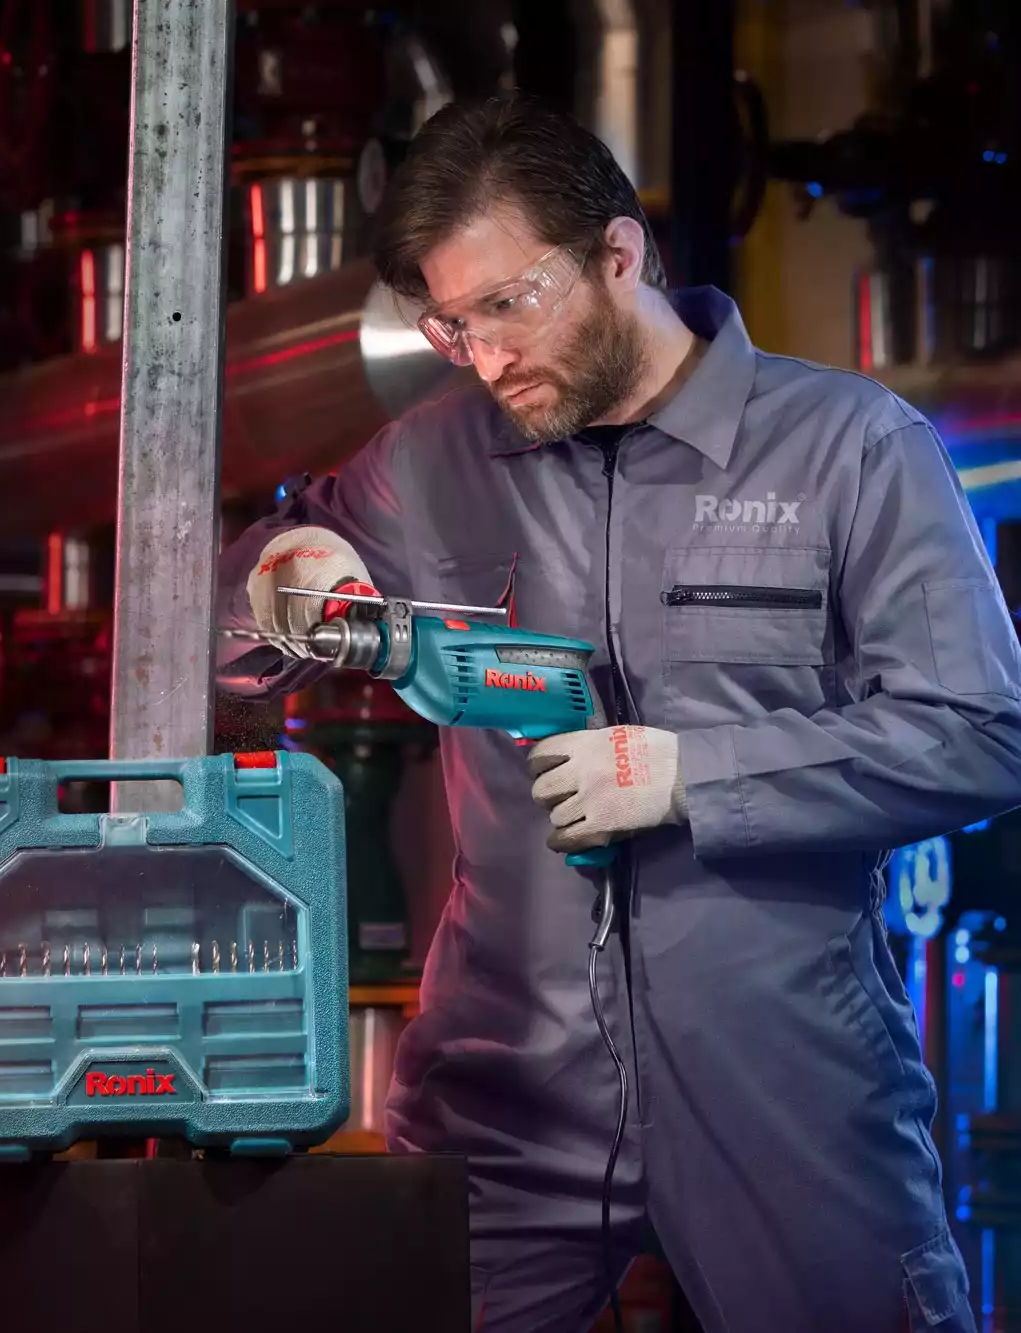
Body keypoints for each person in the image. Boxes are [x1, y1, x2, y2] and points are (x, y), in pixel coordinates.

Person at [215, 93, 1021, 1332]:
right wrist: (283, 581)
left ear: (618, 254)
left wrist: (692, 774)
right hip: (501, 1091)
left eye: (508, 305)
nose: (486, 357)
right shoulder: (428, 460)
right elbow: (220, 626)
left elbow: (980, 728)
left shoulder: (846, 447)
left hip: (786, 1083)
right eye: (451, 325)